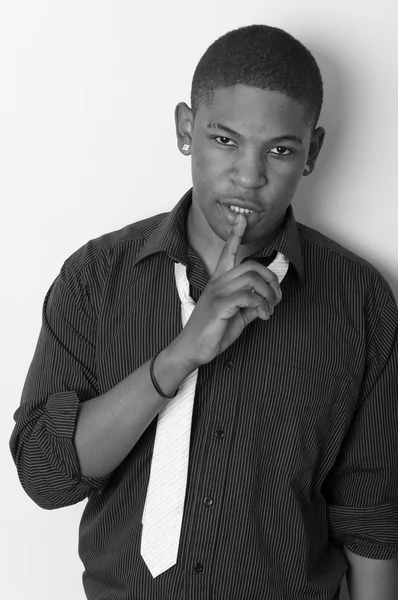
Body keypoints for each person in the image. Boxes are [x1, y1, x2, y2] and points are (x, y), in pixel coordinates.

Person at [10, 23, 398, 600]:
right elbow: (44, 477)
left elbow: (371, 510)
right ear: (185, 130)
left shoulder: (358, 300)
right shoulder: (95, 279)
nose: (249, 177)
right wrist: (182, 353)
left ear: (311, 152)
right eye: (225, 140)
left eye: (280, 150)